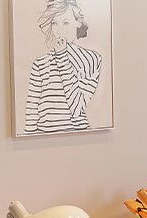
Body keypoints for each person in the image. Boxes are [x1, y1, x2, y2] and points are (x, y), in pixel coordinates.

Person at [25, 0, 102, 134]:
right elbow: (32, 110)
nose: (59, 30)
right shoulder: (40, 63)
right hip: (42, 137)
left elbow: (77, 108)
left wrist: (62, 58)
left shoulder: (91, 59)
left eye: (65, 22)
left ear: (78, 23)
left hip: (78, 137)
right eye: (54, 23)